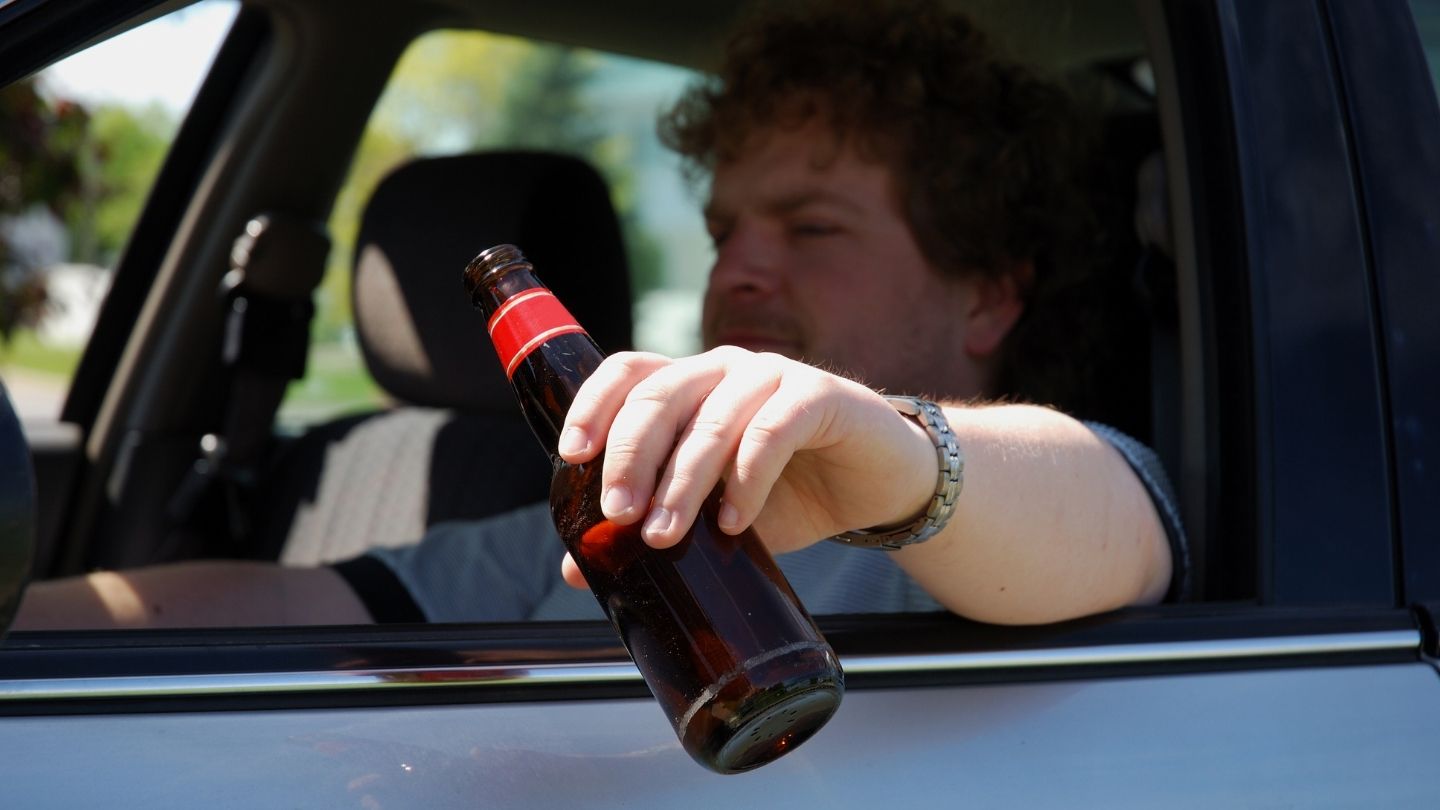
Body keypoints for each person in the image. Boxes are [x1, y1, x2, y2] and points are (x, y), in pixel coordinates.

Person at [13, 0, 1185, 631]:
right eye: (726, 230)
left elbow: (1124, 519)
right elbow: (301, 603)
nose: (740, 275)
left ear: (990, 289)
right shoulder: (634, 504)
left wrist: (889, 456)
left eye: (813, 227)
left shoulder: (1012, 506)